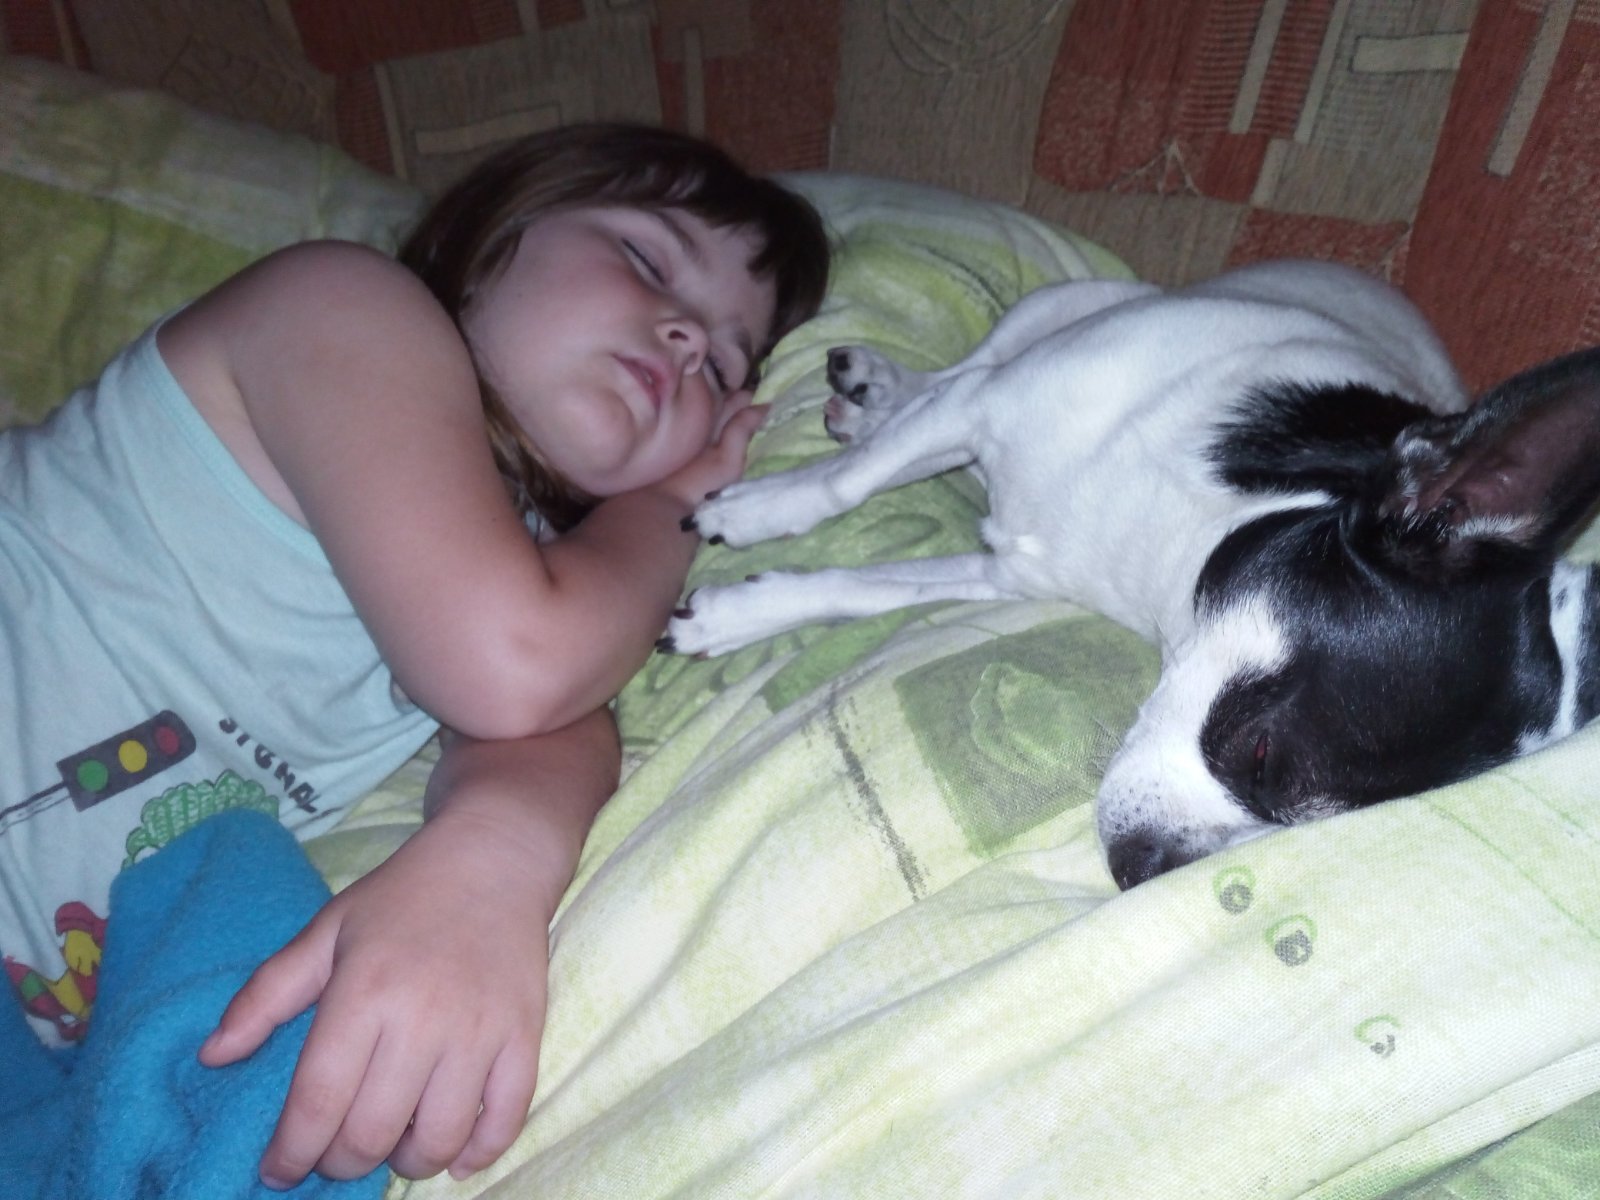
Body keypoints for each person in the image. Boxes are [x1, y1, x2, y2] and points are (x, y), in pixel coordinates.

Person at [0, 123, 829, 1187]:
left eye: (721, 364)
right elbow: (515, 667)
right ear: (492, 237)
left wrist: (493, 859)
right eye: (646, 258)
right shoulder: (344, 309)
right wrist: (673, 501)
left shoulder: (540, 578)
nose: (682, 339)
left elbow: (550, 720)